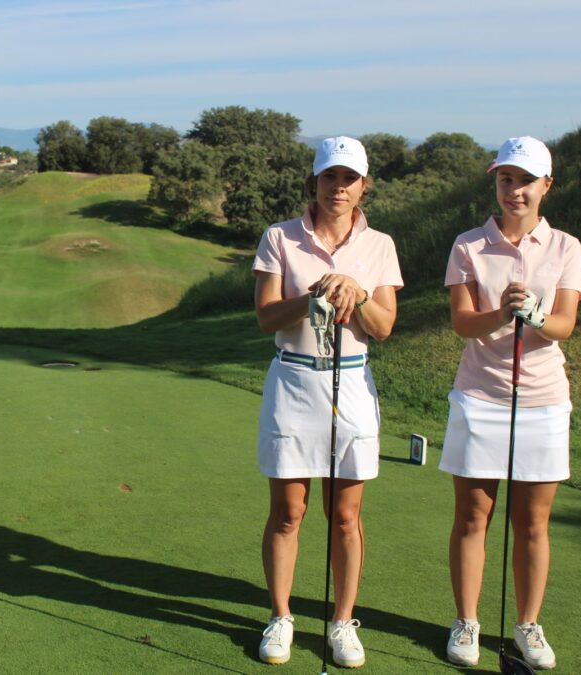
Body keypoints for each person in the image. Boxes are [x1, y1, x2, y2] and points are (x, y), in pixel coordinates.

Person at [252, 137, 402, 667]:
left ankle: (342, 623)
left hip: (352, 382)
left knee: (345, 515)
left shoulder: (380, 244)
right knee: (289, 512)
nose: (339, 188)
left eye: (350, 179)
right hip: (293, 382)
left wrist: (358, 293)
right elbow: (267, 317)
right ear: (314, 181)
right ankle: (280, 616)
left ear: (364, 185)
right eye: (330, 177)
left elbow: (383, 328)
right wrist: (311, 296)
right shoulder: (280, 238)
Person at [440, 137, 581, 670]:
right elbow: (461, 322)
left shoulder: (566, 247)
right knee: (473, 514)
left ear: (546, 185)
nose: (514, 190)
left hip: (543, 400)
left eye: (525, 181)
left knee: (533, 522)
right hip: (480, 395)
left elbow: (564, 325)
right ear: (495, 183)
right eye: (505, 179)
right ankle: (467, 622)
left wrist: (536, 315)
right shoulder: (468, 245)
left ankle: (527, 626)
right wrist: (501, 314)